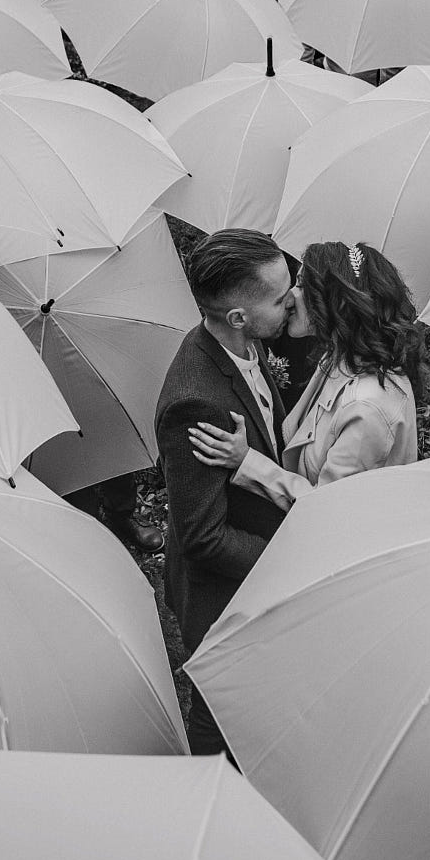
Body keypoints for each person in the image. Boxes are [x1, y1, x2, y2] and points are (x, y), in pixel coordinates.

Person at [154, 228, 294, 756]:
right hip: (221, 601)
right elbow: (202, 537)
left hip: (251, 580)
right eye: (281, 299)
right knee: (218, 723)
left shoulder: (243, 346)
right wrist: (286, 559)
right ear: (238, 317)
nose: (292, 302)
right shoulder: (197, 402)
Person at [187, 241, 422, 510]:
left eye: (301, 286)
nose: (289, 298)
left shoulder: (366, 409)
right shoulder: (340, 355)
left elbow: (325, 506)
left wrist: (247, 462)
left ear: (335, 306)